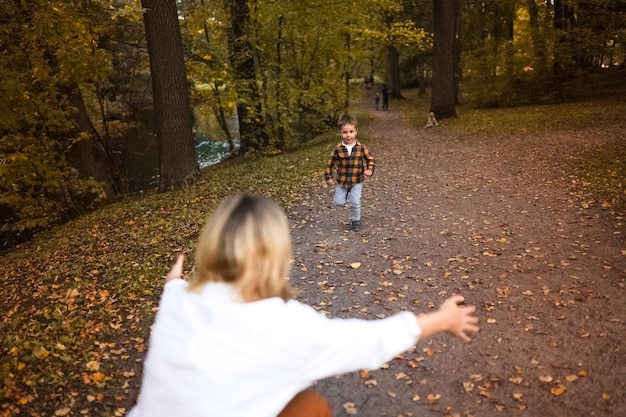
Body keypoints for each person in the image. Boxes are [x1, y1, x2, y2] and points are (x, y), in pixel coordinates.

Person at [127, 193, 480, 417]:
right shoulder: (285, 327)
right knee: (314, 408)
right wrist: (443, 319)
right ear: (278, 255)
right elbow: (369, 342)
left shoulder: (179, 301)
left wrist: (175, 275)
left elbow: (172, 287)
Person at [324, 114, 375, 231]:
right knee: (339, 202)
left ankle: (356, 221)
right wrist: (329, 178)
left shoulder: (361, 148)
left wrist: (370, 170)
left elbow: (370, 159)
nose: (348, 135)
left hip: (357, 180)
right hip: (342, 181)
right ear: (340, 133)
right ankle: (346, 194)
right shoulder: (337, 149)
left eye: (351, 131)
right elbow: (330, 164)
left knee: (355, 202)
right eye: (345, 132)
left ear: (356, 131)